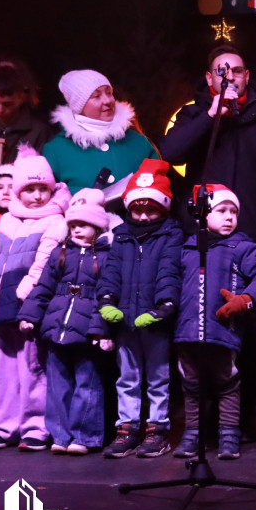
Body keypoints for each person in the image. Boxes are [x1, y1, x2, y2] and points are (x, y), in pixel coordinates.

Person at [158, 44, 256, 440]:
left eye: (234, 71)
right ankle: (201, 423)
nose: (228, 77)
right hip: (199, 236)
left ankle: (240, 421)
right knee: (197, 327)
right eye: (220, 71)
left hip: (247, 234)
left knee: (245, 331)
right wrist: (211, 115)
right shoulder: (193, 115)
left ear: (246, 76)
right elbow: (168, 154)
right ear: (209, 79)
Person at [173, 184, 256, 460]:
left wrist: (245, 299)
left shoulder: (242, 247)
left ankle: (229, 434)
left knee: (226, 381)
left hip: (222, 330)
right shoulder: (188, 247)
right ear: (203, 215)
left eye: (234, 211)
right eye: (222, 210)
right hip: (188, 331)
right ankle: (193, 434)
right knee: (191, 383)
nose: (229, 216)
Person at [0, 145, 71, 451]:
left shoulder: (55, 222)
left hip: (28, 307)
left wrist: (24, 296)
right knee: (4, 370)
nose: (35, 196)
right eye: (29, 189)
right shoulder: (8, 220)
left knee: (31, 367)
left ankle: (35, 426)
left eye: (41, 188)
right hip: (1, 305)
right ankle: (4, 425)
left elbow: (43, 265)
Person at [97, 159, 184, 459]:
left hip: (155, 321)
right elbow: (111, 272)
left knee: (158, 378)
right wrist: (107, 300)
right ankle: (128, 427)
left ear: (163, 208)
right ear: (128, 208)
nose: (144, 215)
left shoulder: (171, 234)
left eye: (151, 209)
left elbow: (169, 272)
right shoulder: (121, 236)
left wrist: (164, 308)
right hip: (126, 320)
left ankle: (157, 429)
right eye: (138, 209)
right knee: (127, 377)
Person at [17, 189, 113, 456]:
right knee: (58, 385)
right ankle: (60, 434)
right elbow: (43, 288)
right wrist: (29, 316)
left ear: (97, 225)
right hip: (56, 328)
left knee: (88, 385)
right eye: (72, 225)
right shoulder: (60, 253)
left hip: (86, 333)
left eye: (83, 224)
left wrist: (100, 329)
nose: (77, 230)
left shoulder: (106, 257)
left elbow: (107, 295)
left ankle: (85, 436)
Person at [43, 69, 158, 193]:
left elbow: (160, 184)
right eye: (97, 96)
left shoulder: (138, 142)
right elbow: (47, 195)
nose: (107, 101)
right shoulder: (56, 150)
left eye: (109, 93)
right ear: (78, 107)